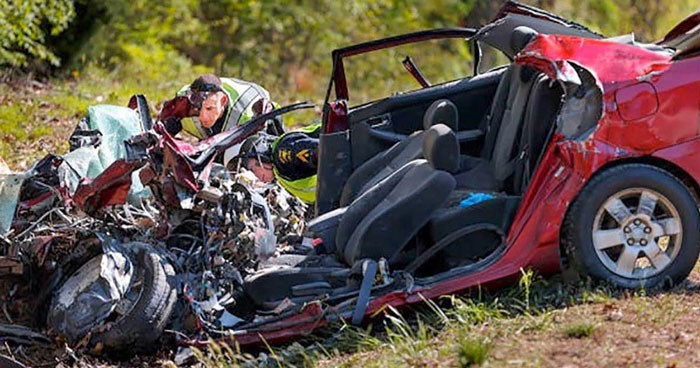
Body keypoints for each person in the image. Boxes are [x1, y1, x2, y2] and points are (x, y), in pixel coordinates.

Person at [159, 74, 283, 139]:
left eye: (209, 108)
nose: (203, 117)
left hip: (256, 117)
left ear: (223, 101)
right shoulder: (183, 101)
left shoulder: (248, 111)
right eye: (197, 109)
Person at [235, 122, 321, 204]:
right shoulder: (279, 171)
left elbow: (323, 150)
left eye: (252, 170)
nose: (256, 177)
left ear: (261, 157)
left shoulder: (282, 154)